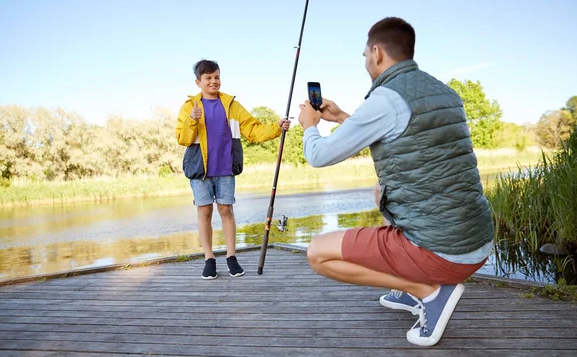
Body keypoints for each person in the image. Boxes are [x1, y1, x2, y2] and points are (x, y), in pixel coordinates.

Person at [297, 17, 494, 347]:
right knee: (380, 192)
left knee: (318, 254)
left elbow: (319, 155)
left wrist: (309, 125)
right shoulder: (443, 91)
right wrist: (344, 117)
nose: (365, 63)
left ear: (376, 52)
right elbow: (407, 137)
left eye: (364, 56)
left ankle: (427, 292)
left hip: (445, 252)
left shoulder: (386, 98)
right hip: (477, 241)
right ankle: (408, 287)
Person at [176, 59, 290, 280]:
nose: (213, 81)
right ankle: (209, 258)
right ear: (198, 82)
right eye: (208, 78)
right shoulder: (190, 107)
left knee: (226, 211)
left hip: (226, 167)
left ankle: (231, 257)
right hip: (200, 170)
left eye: (216, 77)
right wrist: (192, 120)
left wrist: (276, 127)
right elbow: (182, 138)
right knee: (204, 212)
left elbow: (254, 130)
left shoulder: (231, 105)